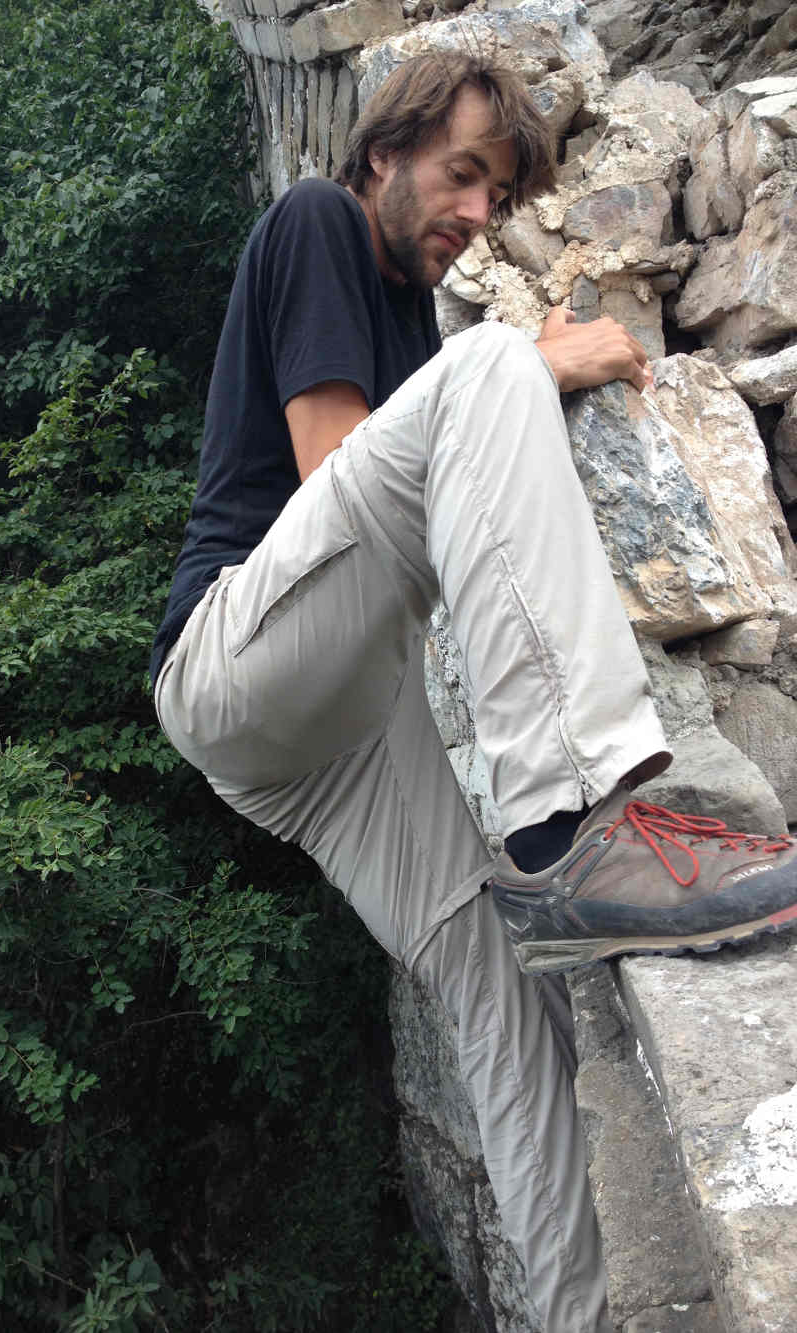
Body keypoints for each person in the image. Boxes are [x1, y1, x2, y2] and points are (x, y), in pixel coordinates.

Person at [150, 51, 797, 1331]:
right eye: (462, 174)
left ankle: (573, 1314)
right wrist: (525, 368)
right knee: (493, 367)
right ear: (383, 150)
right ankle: (581, 821)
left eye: (496, 198)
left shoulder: (403, 306)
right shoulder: (317, 221)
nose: (475, 215)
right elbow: (342, 473)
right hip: (237, 652)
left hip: (326, 723)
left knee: (509, 1002)